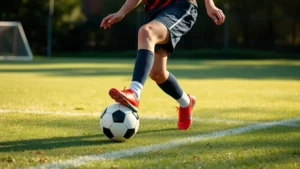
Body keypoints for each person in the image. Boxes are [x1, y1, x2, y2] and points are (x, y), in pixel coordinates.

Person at [100, 0, 225, 130]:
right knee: (157, 73)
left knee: (146, 32)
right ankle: (186, 102)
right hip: (153, 13)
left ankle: (134, 92)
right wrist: (122, 12)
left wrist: (209, 4)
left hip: (179, 6)